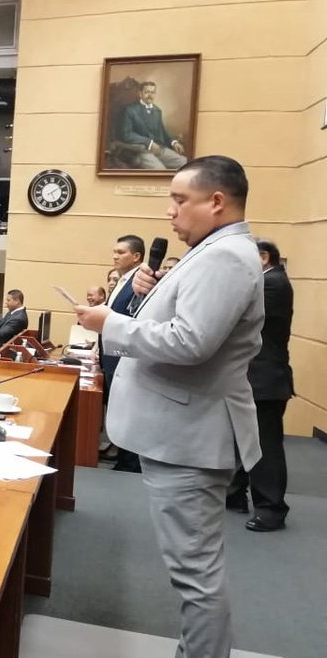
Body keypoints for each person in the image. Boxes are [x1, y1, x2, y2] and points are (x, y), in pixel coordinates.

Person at [74, 155, 263, 658]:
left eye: (180, 200)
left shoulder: (225, 256)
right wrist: (149, 296)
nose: (170, 212)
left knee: (195, 574)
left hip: (189, 435)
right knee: (192, 570)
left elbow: (190, 343)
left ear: (216, 201)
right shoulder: (213, 251)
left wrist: (108, 323)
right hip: (182, 429)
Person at [226, 239, 294, 532]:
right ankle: (234, 494)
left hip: (265, 378)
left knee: (265, 444)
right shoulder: (268, 281)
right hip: (254, 376)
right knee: (241, 439)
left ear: (263, 258)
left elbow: (235, 310)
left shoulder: (273, 283)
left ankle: (271, 508)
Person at [100, 234, 146, 469]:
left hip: (124, 355)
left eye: (121, 252)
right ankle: (122, 455)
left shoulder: (139, 281)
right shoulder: (122, 280)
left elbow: (131, 318)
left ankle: (130, 461)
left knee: (128, 410)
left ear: (136, 256)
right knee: (117, 407)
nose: (115, 256)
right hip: (112, 354)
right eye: (114, 252)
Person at [118, 81, 188, 170]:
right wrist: (149, 143)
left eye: (152, 92)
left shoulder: (157, 111)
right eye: (147, 92)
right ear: (140, 94)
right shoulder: (130, 110)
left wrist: (174, 142)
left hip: (159, 149)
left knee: (185, 163)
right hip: (141, 151)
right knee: (160, 171)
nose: (150, 95)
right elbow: (126, 134)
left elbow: (162, 131)